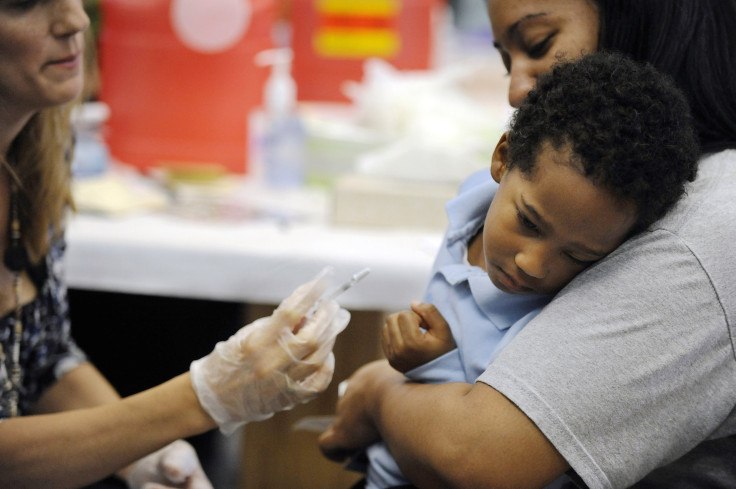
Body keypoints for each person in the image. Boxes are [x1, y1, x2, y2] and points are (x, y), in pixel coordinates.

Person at [318, 1, 736, 488]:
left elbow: (478, 459)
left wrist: (377, 394)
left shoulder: (700, 222)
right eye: (504, 59)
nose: (516, 89)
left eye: (539, 43)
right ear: (502, 160)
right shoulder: (511, 197)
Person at [0, 2, 350, 489]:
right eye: (25, 3)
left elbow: (43, 357)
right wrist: (200, 399)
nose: (75, 21)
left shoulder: (37, 156)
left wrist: (147, 454)